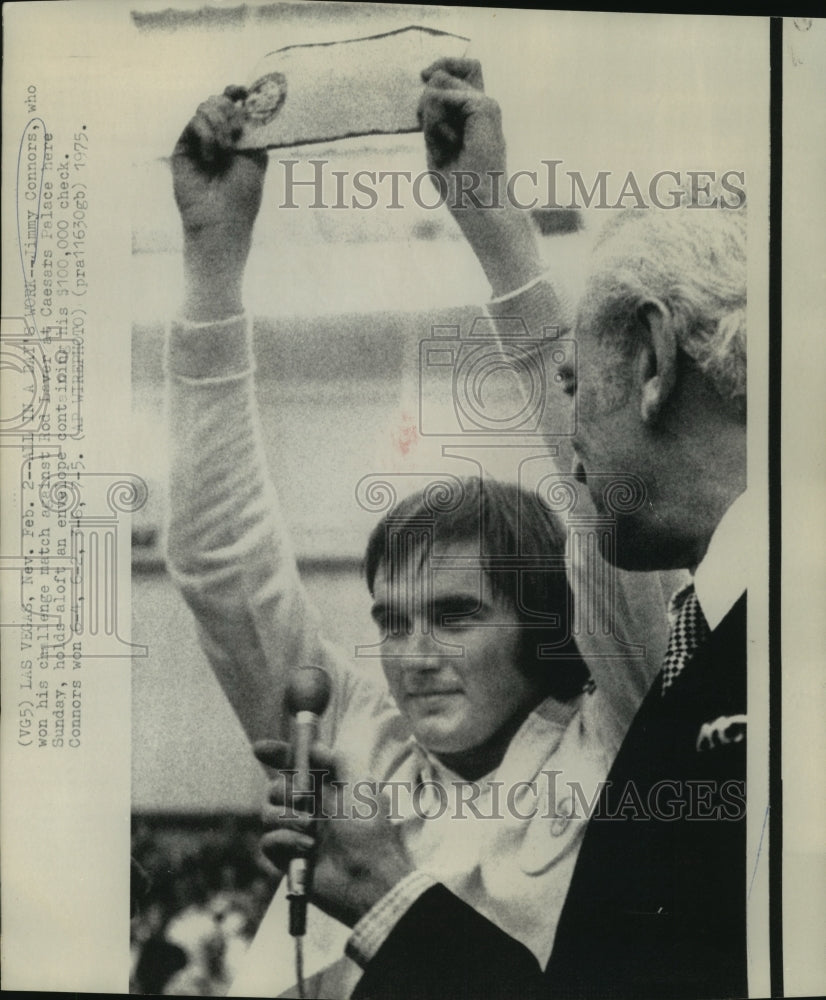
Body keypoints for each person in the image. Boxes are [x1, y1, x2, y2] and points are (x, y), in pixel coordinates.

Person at [167, 77, 673, 997]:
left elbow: (609, 510)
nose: (413, 656)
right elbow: (220, 564)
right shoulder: (365, 750)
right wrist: (212, 260)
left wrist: (494, 226)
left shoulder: (622, 734)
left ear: (544, 626)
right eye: (392, 621)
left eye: (454, 615)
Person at [261, 59, 751, 1000]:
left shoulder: (677, 675)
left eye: (574, 387)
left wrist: (383, 896)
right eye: (388, 620)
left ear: (651, 361)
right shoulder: (701, 652)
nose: (566, 441)